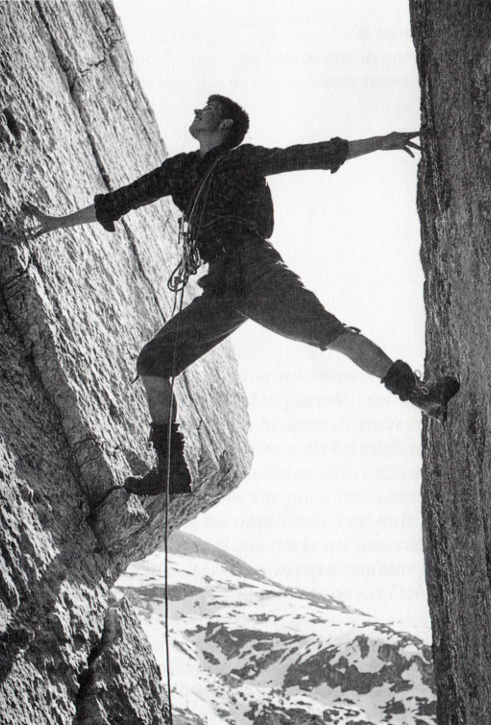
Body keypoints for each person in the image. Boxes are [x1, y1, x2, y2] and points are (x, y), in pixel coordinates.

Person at [25, 94, 459, 497]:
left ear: (225, 124)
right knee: (153, 363)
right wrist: (54, 222)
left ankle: (419, 392)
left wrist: (381, 142)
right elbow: (120, 201)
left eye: (208, 107)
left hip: (255, 267)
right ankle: (172, 471)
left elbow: (308, 155)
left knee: (333, 334)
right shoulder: (179, 169)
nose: (199, 110)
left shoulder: (243, 160)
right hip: (224, 286)